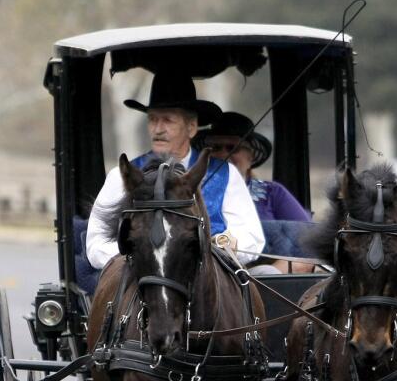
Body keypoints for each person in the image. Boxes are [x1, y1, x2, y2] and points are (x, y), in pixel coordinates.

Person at [84, 74, 265, 273]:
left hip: (210, 282)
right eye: (152, 120)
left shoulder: (226, 174)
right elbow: (96, 245)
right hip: (140, 282)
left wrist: (224, 243)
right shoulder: (121, 176)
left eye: (167, 120)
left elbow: (252, 238)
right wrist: (144, 254)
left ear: (192, 127)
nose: (157, 129)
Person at [199, 111, 314, 273]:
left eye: (233, 148)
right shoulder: (196, 191)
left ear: (250, 156)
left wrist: (279, 267)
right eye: (216, 148)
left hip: (265, 277)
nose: (224, 154)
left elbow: (307, 239)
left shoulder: (273, 193)